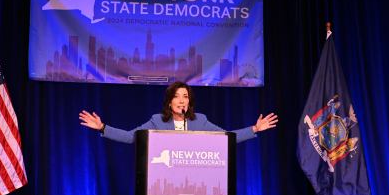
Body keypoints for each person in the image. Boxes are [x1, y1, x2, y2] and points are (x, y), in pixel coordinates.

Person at [79, 81, 278, 143]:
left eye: (185, 96)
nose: (181, 100)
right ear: (169, 101)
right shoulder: (157, 121)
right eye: (176, 96)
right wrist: (103, 127)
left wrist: (254, 129)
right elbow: (132, 138)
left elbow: (225, 138)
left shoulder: (200, 121)